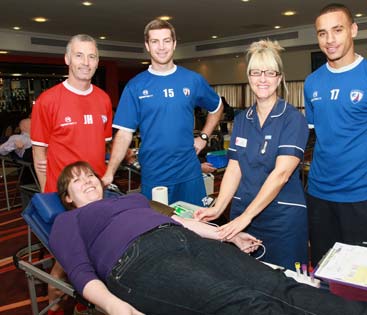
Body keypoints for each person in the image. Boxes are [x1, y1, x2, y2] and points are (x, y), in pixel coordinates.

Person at [50, 161, 367, 315]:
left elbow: (183, 222)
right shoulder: (68, 222)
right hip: (137, 262)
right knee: (245, 304)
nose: (86, 181)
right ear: (67, 198)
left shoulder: (132, 198)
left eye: (89, 175)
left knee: (279, 285)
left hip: (185, 240)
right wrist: (115, 307)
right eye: (76, 181)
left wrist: (229, 235)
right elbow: (81, 273)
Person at [303, 3, 367, 266]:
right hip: (319, 193)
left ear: (354, 30)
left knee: (365, 272)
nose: (329, 39)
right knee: (325, 267)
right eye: (322, 33)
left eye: (337, 30)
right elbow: (317, 135)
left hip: (363, 196)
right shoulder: (312, 82)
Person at [195, 40, 309, 270]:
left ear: (279, 78)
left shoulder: (293, 119)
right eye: (256, 72)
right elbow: (235, 167)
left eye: (269, 72)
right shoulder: (242, 120)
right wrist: (219, 207)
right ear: (249, 78)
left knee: (287, 286)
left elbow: (281, 174)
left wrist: (246, 217)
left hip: (282, 218)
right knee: (248, 282)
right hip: (243, 215)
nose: (262, 79)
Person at [30, 34, 113, 315]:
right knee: (65, 264)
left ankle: (84, 305)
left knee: (100, 256)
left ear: (97, 61)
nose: (85, 62)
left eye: (91, 56)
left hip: (97, 196)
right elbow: (39, 155)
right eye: (79, 55)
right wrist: (48, 196)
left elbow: (101, 147)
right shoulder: (47, 100)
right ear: (67, 59)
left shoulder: (103, 99)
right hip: (63, 199)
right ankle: (54, 309)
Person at [103, 19, 223, 206]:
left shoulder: (192, 80)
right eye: (155, 41)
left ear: (174, 44)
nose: (161, 47)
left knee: (196, 224)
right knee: (160, 229)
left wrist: (204, 137)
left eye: (166, 41)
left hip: (189, 172)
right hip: (155, 174)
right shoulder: (136, 86)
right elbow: (125, 133)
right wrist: (110, 172)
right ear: (147, 46)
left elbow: (217, 107)